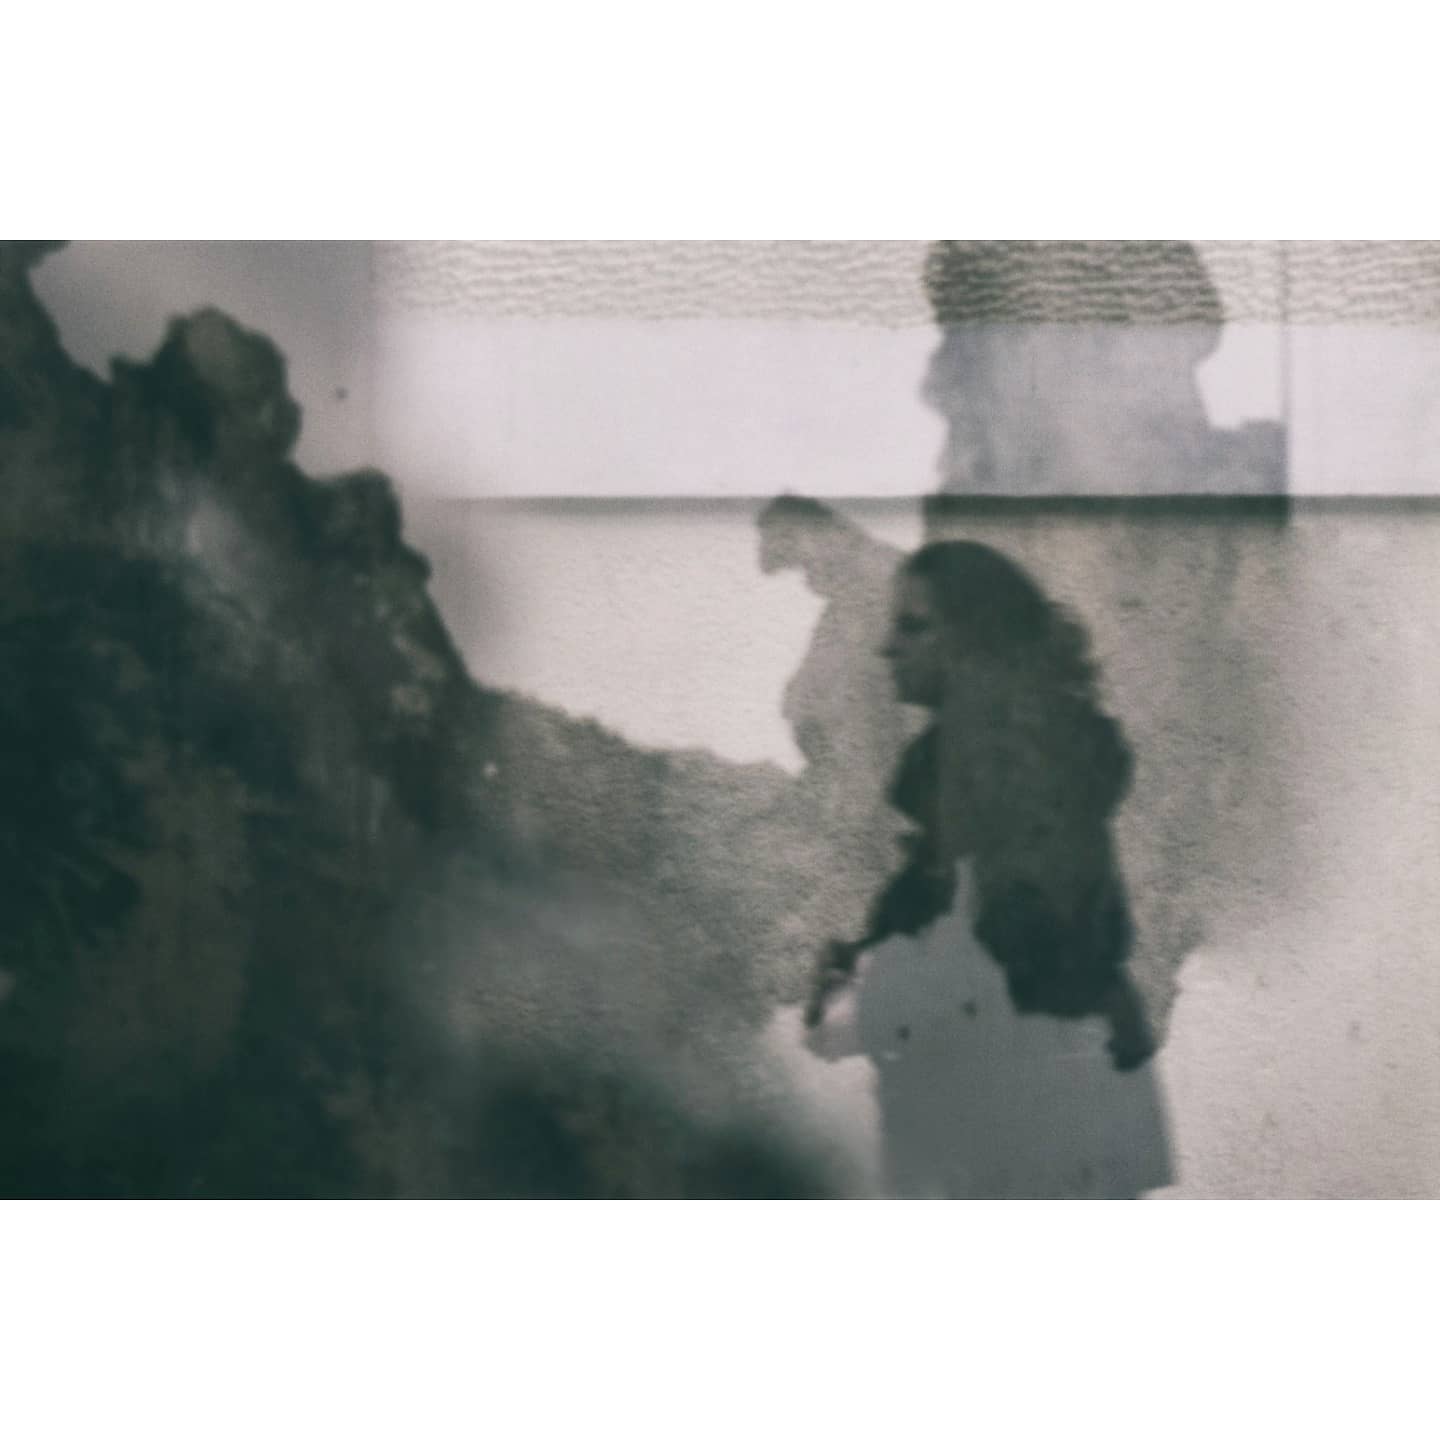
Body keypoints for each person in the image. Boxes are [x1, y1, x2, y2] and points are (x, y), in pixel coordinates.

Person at [805, 540, 1171, 1198]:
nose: (887, 648)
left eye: (914, 626)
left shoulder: (1002, 760)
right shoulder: (992, 754)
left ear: (973, 639)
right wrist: (869, 962)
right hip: (1042, 1111)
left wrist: (864, 996)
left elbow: (1003, 950)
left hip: (1029, 1122)